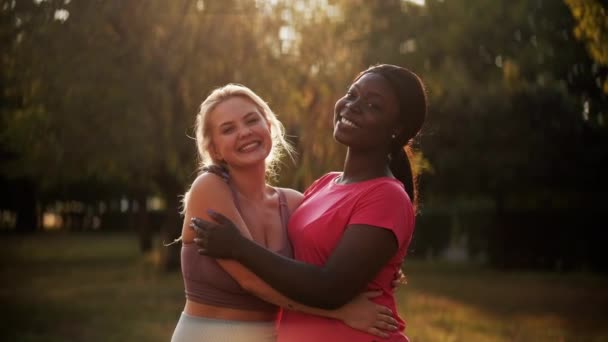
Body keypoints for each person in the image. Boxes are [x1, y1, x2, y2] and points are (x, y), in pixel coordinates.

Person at [192, 64, 427, 342]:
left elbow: (330, 287)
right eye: (352, 95)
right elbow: (295, 263)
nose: (353, 106)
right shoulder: (324, 184)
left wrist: (238, 247)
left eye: (373, 106)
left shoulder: (387, 196)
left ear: (396, 129)